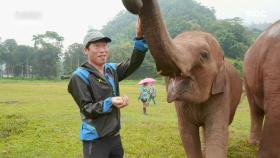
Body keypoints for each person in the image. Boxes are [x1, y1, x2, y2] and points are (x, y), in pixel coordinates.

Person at [68, 18, 148, 158]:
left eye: (105, 46)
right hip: (95, 139)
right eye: (97, 46)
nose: (102, 50)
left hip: (114, 137)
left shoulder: (111, 70)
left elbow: (132, 64)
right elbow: (87, 109)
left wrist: (140, 39)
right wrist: (110, 102)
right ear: (86, 50)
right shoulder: (79, 76)